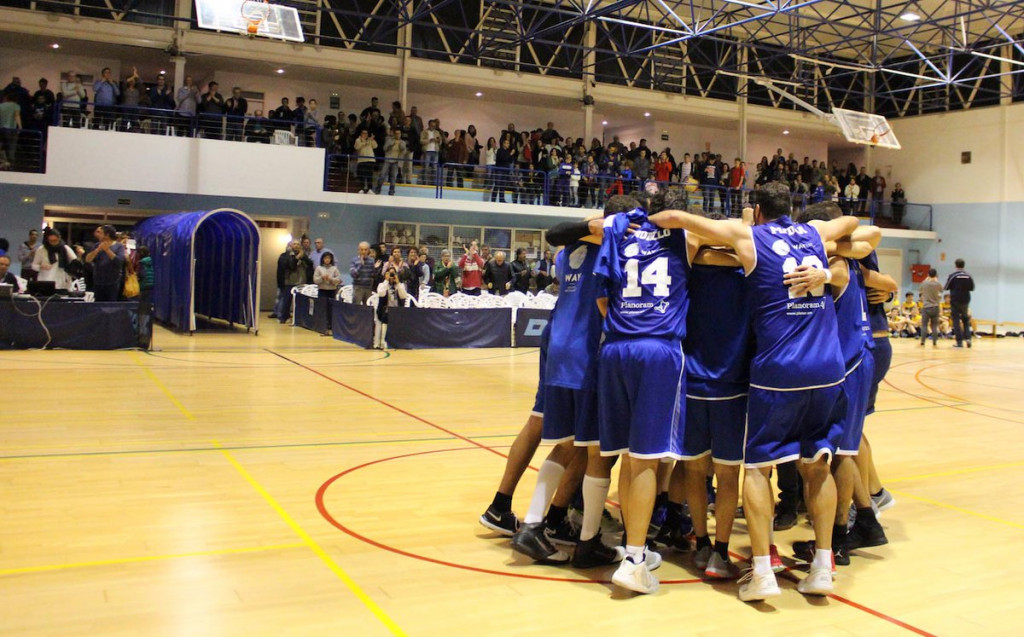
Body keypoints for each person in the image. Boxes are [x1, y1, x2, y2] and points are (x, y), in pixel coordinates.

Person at [647, 182, 879, 601]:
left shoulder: (749, 236)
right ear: (792, 209)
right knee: (819, 463)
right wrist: (826, 268)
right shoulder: (815, 235)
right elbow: (853, 222)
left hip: (779, 370)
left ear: (757, 210)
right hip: (828, 369)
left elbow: (676, 219)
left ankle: (760, 573)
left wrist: (636, 222)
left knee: (756, 469)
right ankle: (823, 567)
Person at [83, 225, 126, 301]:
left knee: (111, 306)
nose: (98, 235)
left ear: (107, 234)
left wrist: (107, 250)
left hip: (113, 282)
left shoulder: (119, 246)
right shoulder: (96, 245)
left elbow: (119, 261)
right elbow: (88, 260)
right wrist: (97, 250)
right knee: (98, 305)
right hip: (98, 282)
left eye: (101, 233)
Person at [274, 240, 310, 323]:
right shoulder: (285, 256)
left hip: (301, 282)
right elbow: (290, 266)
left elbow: (310, 265)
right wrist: (297, 258)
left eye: (298, 244)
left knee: (300, 301)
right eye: (294, 244)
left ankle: (299, 318)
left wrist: (303, 257)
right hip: (289, 281)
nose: (296, 246)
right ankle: (283, 317)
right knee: (286, 301)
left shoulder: (303, 256)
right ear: (290, 245)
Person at [374, 268, 408, 349]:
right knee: (383, 319)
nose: (391, 276)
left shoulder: (400, 285)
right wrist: (386, 281)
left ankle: (396, 341)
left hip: (397, 310)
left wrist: (398, 283)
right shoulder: (382, 285)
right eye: (389, 274)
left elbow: (403, 296)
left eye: (393, 274)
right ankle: (380, 342)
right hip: (384, 310)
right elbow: (381, 294)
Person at [945, 259, 975, 348]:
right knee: (965, 320)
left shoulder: (953, 275)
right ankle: (968, 339)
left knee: (956, 321)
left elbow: (946, 287)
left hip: (955, 300)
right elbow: (972, 288)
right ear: (963, 265)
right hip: (965, 300)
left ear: (956, 265)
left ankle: (959, 342)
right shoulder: (968, 276)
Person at [314, 252, 342, 335]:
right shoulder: (318, 268)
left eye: (328, 258)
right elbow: (315, 280)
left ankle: (330, 326)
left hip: (331, 290)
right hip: (322, 290)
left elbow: (338, 280)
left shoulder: (334, 268)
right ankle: (321, 326)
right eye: (325, 258)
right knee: (322, 308)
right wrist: (322, 278)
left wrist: (331, 280)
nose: (327, 260)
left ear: (331, 259)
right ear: (323, 259)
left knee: (330, 309)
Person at [919, 268, 943, 347]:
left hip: (926, 306)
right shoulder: (938, 283)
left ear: (928, 275)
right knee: (934, 325)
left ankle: (922, 341)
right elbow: (941, 291)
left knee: (924, 325)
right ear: (936, 275)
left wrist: (926, 279)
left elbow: (920, 290)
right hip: (935, 306)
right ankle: (934, 342)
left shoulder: (924, 283)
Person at [354, 129, 377, 194]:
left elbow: (375, 146)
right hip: (361, 160)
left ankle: (370, 189)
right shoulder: (358, 140)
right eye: (363, 133)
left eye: (366, 133)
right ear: (361, 134)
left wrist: (372, 140)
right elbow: (357, 147)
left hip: (370, 160)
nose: (365, 135)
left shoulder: (370, 140)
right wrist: (365, 142)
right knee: (362, 175)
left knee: (369, 175)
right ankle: (362, 188)